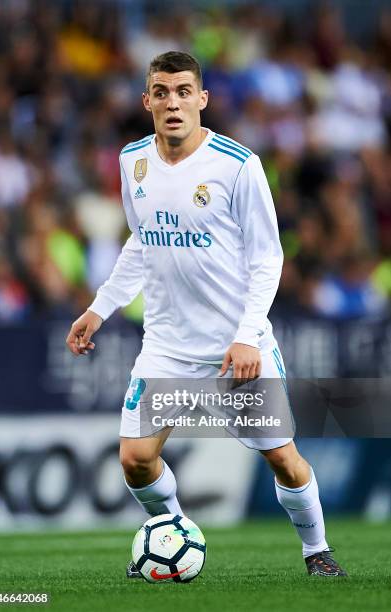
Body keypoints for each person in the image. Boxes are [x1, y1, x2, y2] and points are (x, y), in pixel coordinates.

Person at [66, 51, 347, 578]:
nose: (173, 103)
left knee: (283, 458)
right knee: (134, 459)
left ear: (202, 99)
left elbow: (268, 259)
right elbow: (141, 242)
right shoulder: (133, 162)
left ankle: (318, 552)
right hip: (168, 345)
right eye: (162, 92)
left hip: (234, 348)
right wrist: (100, 308)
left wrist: (245, 337)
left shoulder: (237, 165)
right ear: (147, 100)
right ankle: (174, 534)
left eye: (183, 91)